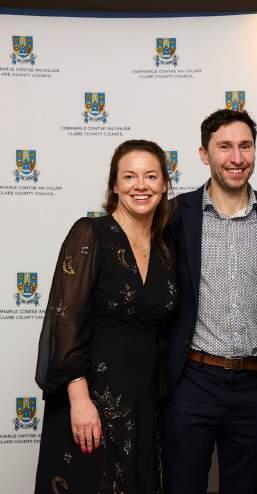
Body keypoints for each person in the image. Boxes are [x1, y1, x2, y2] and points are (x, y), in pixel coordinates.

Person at [161, 109, 257, 494]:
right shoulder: (174, 215)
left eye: (245, 146)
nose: (237, 158)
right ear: (204, 154)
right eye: (225, 147)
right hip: (192, 380)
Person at [34, 139, 177, 494]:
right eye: (129, 176)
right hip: (92, 400)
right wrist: (79, 400)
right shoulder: (91, 233)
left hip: (142, 401)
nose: (140, 185)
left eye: (151, 176)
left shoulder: (165, 248)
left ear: (164, 184)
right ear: (114, 185)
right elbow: (65, 320)